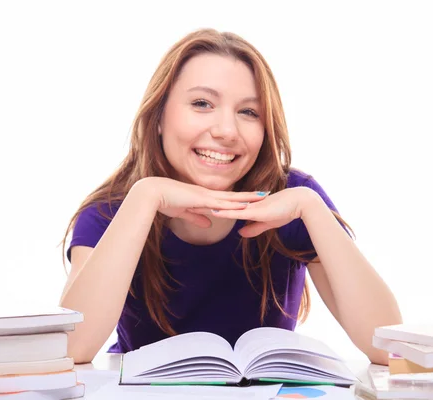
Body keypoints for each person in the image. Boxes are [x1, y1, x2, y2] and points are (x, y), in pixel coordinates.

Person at [59, 28, 402, 365]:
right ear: (159, 116)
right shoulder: (111, 210)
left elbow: (389, 346)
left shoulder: (293, 200)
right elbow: (73, 348)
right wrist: (145, 198)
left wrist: (312, 208)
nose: (226, 131)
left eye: (249, 112)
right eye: (202, 103)